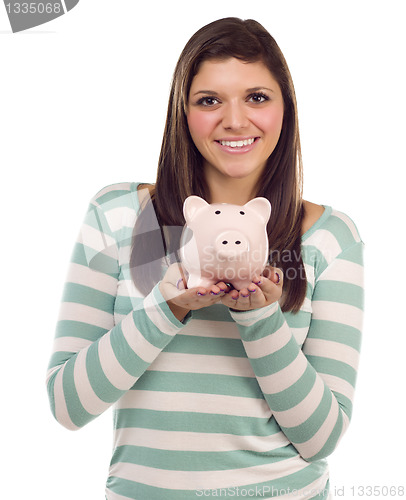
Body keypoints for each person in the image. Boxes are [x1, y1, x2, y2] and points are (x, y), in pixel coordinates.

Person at [46, 17, 364, 500]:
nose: (235, 120)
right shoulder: (118, 216)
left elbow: (321, 437)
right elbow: (67, 404)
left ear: (286, 110)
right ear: (183, 111)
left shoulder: (329, 238)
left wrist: (260, 317)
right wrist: (166, 308)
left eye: (257, 97)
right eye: (209, 100)